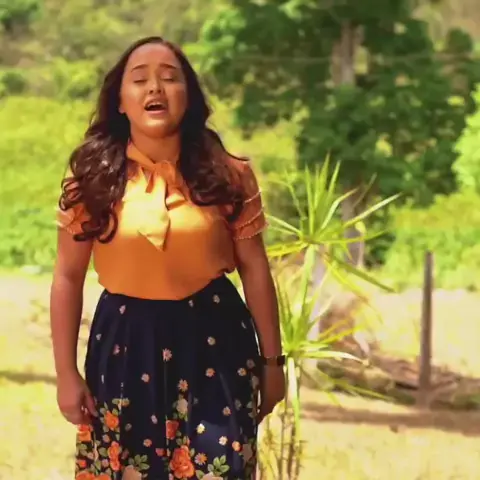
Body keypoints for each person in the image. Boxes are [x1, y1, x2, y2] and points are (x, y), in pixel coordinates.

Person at [49, 36, 285, 480]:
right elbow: (67, 276)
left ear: (189, 97)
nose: (155, 88)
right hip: (124, 347)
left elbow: (255, 269)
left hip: (216, 345)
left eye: (170, 78)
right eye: (140, 79)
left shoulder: (228, 174)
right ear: (120, 101)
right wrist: (66, 373)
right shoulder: (93, 179)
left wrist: (273, 363)